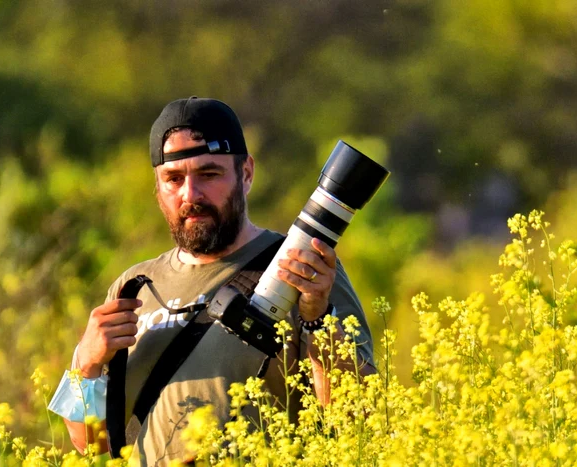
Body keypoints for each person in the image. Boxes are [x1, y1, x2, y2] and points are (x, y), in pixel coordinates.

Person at [49, 97, 376, 465]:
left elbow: (359, 423)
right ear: (157, 189)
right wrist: (87, 364)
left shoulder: (301, 268)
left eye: (209, 174)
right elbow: (89, 444)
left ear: (246, 173)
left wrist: (317, 315)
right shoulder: (133, 287)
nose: (191, 195)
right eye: (173, 179)